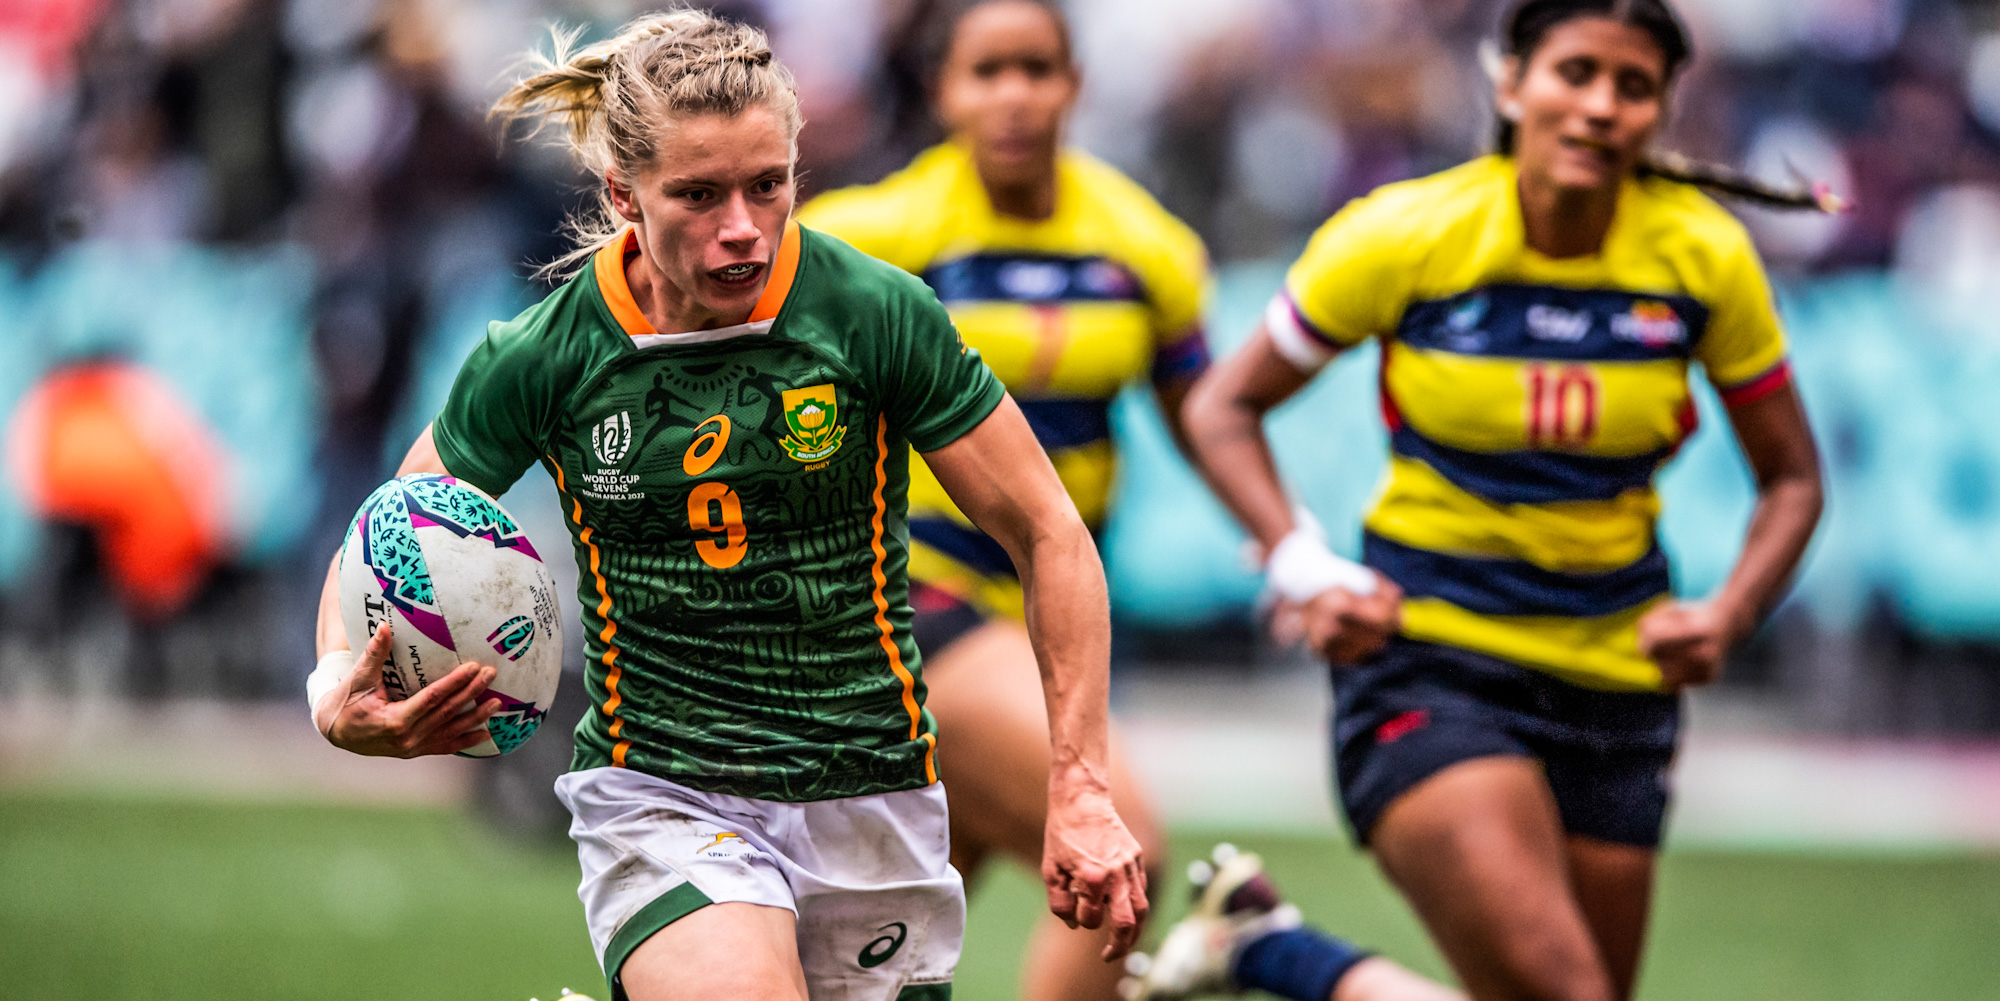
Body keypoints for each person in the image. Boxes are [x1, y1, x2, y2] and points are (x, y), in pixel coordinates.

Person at [303, 11, 1149, 1001]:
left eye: (767, 185)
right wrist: (334, 687)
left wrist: (1079, 781)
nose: (742, 225)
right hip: (661, 793)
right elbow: (392, 536)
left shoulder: (874, 314)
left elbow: (1048, 532)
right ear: (622, 194)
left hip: (868, 792)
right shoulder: (547, 354)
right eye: (699, 194)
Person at [1137, 1, 1830, 1000]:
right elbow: (1221, 407)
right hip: (1430, 662)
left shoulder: (1702, 257)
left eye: (1632, 86)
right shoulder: (1406, 234)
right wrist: (1301, 563)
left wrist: (1730, 612)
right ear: (1508, 82)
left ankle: (1263, 948)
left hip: (1617, 681)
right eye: (1575, 73)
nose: (1601, 106)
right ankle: (1271, 953)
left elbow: (1793, 478)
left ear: (1661, 109)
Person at [796, 3, 1189, 997]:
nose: (1013, 95)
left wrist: (1290, 548)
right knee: (1122, 849)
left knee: (877, 957)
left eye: (1036, 68)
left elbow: (1209, 412)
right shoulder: (867, 237)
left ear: (1074, 83)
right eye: (987, 71)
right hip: (914, 599)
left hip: (1049, 620)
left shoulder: (1143, 244)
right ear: (943, 90)